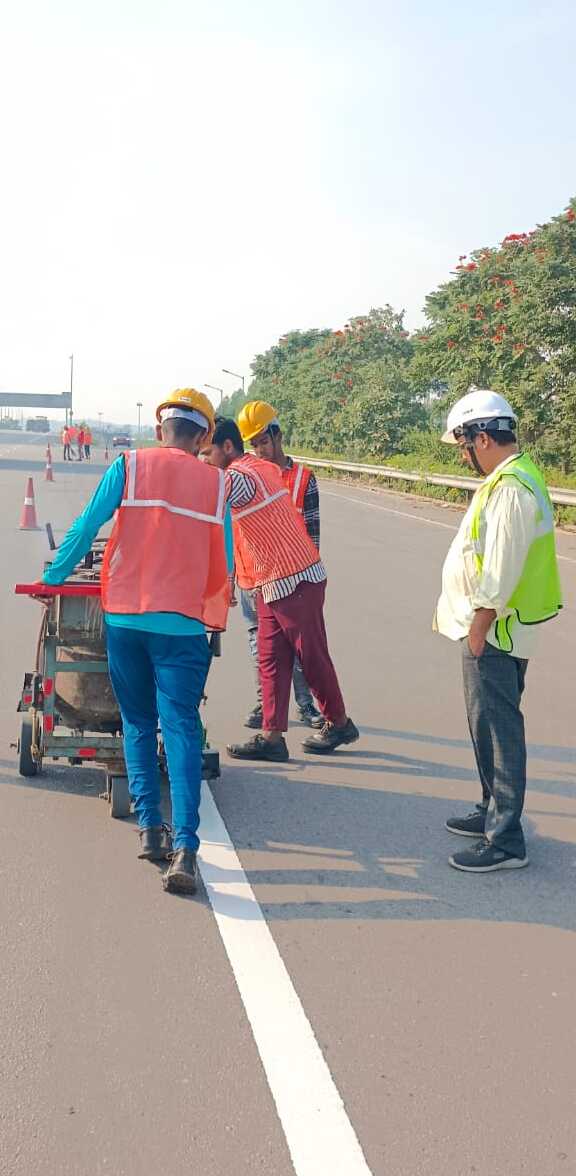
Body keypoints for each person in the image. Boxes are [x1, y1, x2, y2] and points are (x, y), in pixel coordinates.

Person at [41, 389, 232, 894]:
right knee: (183, 729)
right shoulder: (216, 486)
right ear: (205, 436)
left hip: (125, 618)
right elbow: (225, 564)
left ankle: (150, 828)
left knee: (138, 723)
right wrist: (208, 614)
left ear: (158, 428)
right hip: (184, 627)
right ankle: (186, 846)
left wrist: (54, 576)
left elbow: (86, 527)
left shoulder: (129, 465)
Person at [434, 388, 562, 873]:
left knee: (498, 730)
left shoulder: (510, 488)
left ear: (481, 437)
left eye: (465, 447)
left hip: (496, 632)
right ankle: (491, 809)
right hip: (498, 629)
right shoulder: (510, 478)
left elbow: (502, 568)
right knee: (486, 726)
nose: (465, 457)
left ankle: (506, 839)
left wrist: (480, 625)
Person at [206, 416, 358, 762]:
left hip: (294, 578)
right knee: (271, 659)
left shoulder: (239, 476)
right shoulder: (259, 467)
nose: (205, 461)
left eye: (207, 453)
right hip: (271, 581)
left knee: (311, 656)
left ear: (227, 447)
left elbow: (209, 499)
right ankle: (272, 737)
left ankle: (339, 722)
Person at [236, 399, 322, 730]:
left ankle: (306, 706)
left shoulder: (302, 479)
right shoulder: (244, 476)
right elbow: (236, 531)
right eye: (254, 444)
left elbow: (312, 534)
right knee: (261, 649)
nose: (260, 450)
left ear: (278, 435)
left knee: (299, 649)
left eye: (264, 441)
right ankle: (266, 706)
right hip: (253, 580)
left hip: (292, 579)